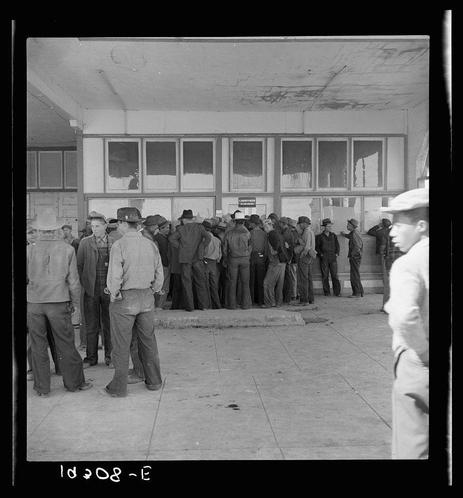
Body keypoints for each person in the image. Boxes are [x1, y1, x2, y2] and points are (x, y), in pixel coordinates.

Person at [381, 188, 429, 459]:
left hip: (419, 363)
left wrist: (422, 352)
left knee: (413, 446)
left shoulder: (408, 264)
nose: (391, 231)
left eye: (399, 223)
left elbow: (404, 316)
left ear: (421, 225)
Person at [27, 208, 92, 396]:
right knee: (65, 343)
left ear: (39, 230)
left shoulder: (29, 250)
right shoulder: (67, 249)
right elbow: (73, 282)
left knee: (38, 345)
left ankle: (42, 388)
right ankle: (74, 384)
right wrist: (75, 304)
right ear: (57, 229)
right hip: (58, 302)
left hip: (34, 303)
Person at [104, 207, 164, 397]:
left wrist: (114, 294)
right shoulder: (150, 244)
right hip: (146, 297)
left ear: (122, 223)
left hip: (125, 298)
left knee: (121, 344)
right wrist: (152, 290)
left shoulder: (119, 245)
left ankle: (118, 388)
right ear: (137, 223)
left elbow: (115, 275)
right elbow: (159, 273)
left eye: (118, 223)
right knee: (148, 340)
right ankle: (154, 381)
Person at [76, 211, 113, 368]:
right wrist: (85, 284)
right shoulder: (85, 242)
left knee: (109, 324)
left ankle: (110, 357)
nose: (95, 229)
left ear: (105, 226)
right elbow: (79, 265)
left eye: (98, 226)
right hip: (91, 290)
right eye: (92, 226)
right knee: (91, 325)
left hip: (109, 289)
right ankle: (91, 358)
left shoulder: (114, 242)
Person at [169, 209, 211, 311]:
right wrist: (202, 246)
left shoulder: (181, 229)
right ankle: (203, 306)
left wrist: (180, 248)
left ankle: (190, 307)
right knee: (200, 282)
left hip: (185, 259)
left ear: (184, 219)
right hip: (197, 258)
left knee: (187, 283)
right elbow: (208, 238)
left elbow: (171, 239)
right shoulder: (200, 228)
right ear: (191, 219)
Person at [367, 218, 403, 311]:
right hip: (401, 262)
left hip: (389, 261)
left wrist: (378, 226)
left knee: (388, 285)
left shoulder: (385, 232)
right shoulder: (404, 234)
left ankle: (387, 307)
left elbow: (371, 233)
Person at [222, 212, 252, 310]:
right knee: (245, 282)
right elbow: (251, 247)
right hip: (245, 259)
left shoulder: (229, 233)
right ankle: (246, 304)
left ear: (235, 222)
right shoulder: (247, 233)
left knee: (232, 282)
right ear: (243, 222)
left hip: (233, 259)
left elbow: (225, 249)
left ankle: (232, 305)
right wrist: (247, 256)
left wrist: (226, 258)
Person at [262, 218, 288, 308]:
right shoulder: (278, 233)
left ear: (269, 225)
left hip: (275, 261)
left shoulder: (271, 234)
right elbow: (285, 246)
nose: (264, 228)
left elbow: (276, 248)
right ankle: (278, 303)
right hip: (282, 261)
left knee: (267, 283)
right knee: (279, 284)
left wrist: (273, 252)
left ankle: (269, 303)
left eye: (265, 226)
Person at [316, 218, 341, 297]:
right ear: (324, 227)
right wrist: (321, 255)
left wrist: (337, 253)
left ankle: (337, 292)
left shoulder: (333, 236)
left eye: (330, 226)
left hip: (333, 258)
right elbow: (317, 248)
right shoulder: (319, 237)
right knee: (325, 276)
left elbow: (337, 245)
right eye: (328, 226)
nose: (330, 228)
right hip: (324, 258)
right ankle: (326, 292)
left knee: (335, 275)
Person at [294, 216, 317, 305]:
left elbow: (307, 247)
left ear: (303, 224)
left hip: (304, 257)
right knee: (309, 278)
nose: (299, 226)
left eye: (300, 224)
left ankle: (304, 300)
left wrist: (301, 256)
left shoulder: (306, 232)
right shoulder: (311, 231)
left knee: (303, 279)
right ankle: (311, 299)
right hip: (310, 257)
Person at [152, 216, 171, 311]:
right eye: (167, 228)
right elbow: (161, 254)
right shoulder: (160, 239)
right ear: (161, 229)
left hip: (161, 266)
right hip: (163, 266)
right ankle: (159, 306)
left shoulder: (159, 237)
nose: (168, 229)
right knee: (164, 286)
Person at [202, 220, 222, 309]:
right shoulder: (217, 240)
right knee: (214, 286)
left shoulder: (204, 239)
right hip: (214, 264)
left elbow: (202, 252)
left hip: (205, 262)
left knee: (205, 285)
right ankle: (217, 305)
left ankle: (207, 305)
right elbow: (220, 254)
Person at [341, 219, 364, 298]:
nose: (347, 226)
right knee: (355, 274)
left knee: (354, 275)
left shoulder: (355, 233)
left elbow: (357, 246)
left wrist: (352, 255)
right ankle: (360, 292)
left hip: (355, 257)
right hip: (356, 256)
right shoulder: (354, 232)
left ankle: (357, 293)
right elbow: (350, 236)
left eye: (348, 225)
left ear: (352, 226)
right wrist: (344, 235)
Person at [248, 214, 267, 306]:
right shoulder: (264, 233)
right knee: (260, 280)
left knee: (251, 280)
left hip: (252, 257)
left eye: (250, 223)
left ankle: (251, 300)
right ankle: (261, 301)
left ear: (252, 223)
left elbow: (249, 246)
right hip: (262, 257)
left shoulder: (250, 233)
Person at [279, 217, 297, 304]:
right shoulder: (287, 232)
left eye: (280, 223)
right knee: (287, 278)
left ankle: (287, 298)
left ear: (282, 223)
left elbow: (289, 247)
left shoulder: (286, 233)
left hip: (287, 259)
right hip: (288, 258)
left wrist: (288, 258)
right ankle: (287, 298)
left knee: (287, 279)